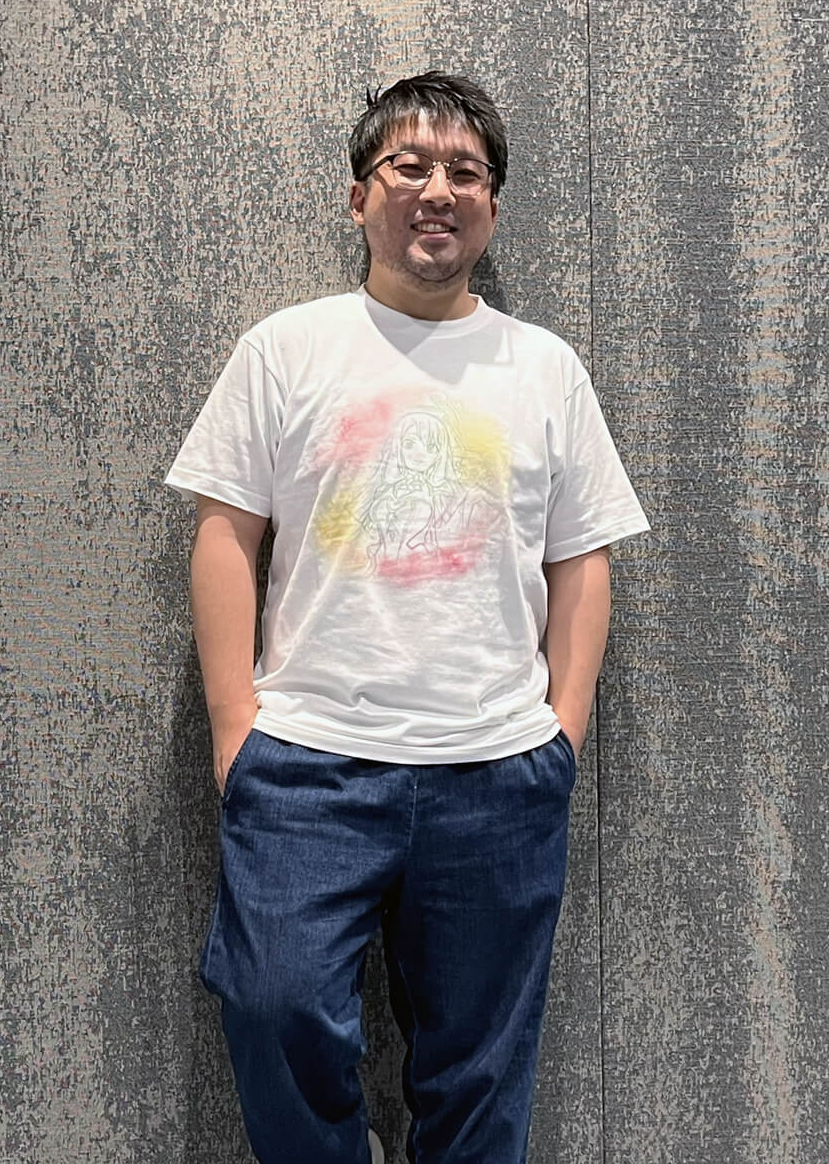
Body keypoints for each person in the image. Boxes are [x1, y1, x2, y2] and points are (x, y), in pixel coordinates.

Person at [165, 71, 649, 1164]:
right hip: (307, 763)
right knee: (273, 1005)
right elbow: (225, 535)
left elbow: (583, 557)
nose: (438, 190)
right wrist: (235, 726)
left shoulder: (544, 367)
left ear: (492, 207)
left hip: (498, 770)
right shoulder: (286, 349)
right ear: (359, 197)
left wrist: (562, 734)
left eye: (465, 172)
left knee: (481, 1071)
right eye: (410, 165)